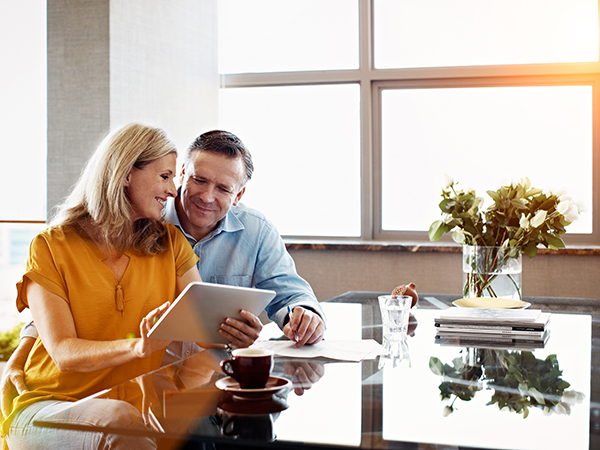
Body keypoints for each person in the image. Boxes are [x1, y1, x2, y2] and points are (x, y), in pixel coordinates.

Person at [0, 123, 204, 449]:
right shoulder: (50, 246)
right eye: (164, 176)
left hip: (135, 415)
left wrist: (233, 329)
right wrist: (137, 346)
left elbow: (203, 319)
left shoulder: (172, 244)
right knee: (119, 420)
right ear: (125, 174)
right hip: (49, 407)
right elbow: (64, 351)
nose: (173, 189)